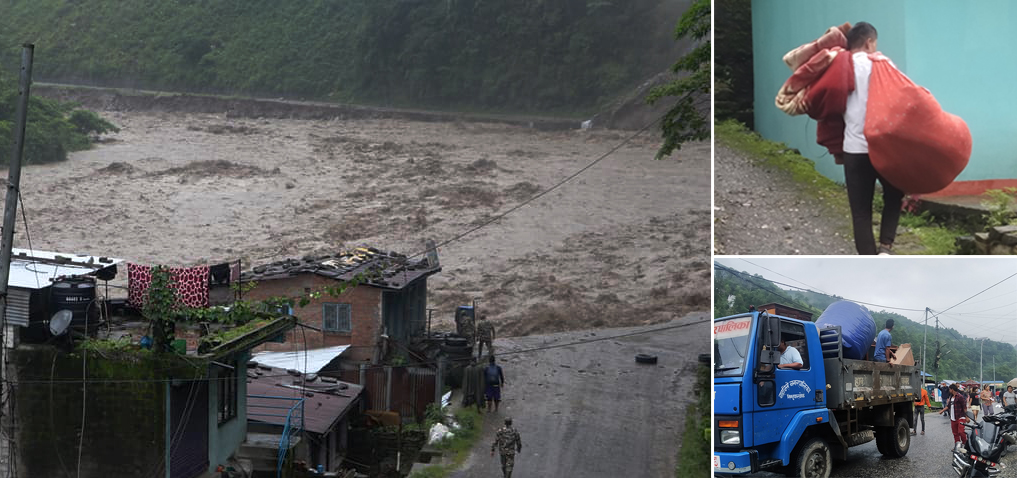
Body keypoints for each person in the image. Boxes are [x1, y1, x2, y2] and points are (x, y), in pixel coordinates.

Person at [840, 22, 905, 255]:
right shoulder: (884, 65)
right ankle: (886, 248)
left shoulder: (840, 65)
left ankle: (868, 259)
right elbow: (903, 100)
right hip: (885, 148)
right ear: (869, 42)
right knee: (894, 196)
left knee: (860, 212)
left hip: (854, 149)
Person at [939, 384, 969, 450]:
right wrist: (942, 411)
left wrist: (966, 417)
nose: (949, 390)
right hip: (953, 418)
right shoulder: (951, 397)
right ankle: (957, 446)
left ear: (952, 389)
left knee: (961, 431)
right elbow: (948, 406)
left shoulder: (960, 397)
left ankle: (965, 444)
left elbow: (964, 407)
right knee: (955, 433)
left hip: (960, 417)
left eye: (949, 389)